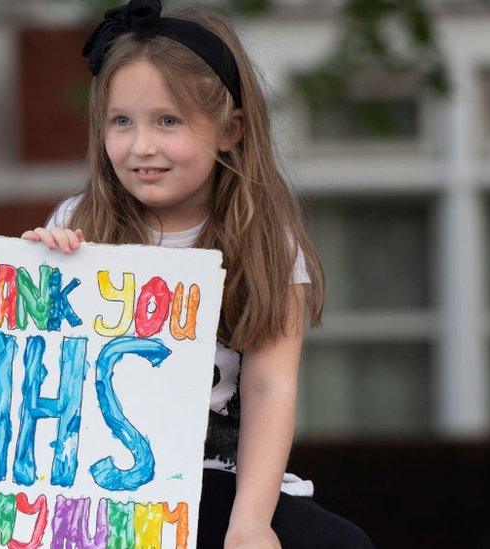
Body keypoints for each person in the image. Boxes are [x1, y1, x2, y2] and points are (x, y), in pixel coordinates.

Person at [21, 1, 375, 547]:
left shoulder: (266, 244)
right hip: (95, 485)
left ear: (229, 130)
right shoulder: (77, 222)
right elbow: (33, 365)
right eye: (122, 121)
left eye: (168, 120)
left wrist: (251, 522)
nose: (142, 146)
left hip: (220, 482)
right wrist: (29, 274)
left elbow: (268, 387)